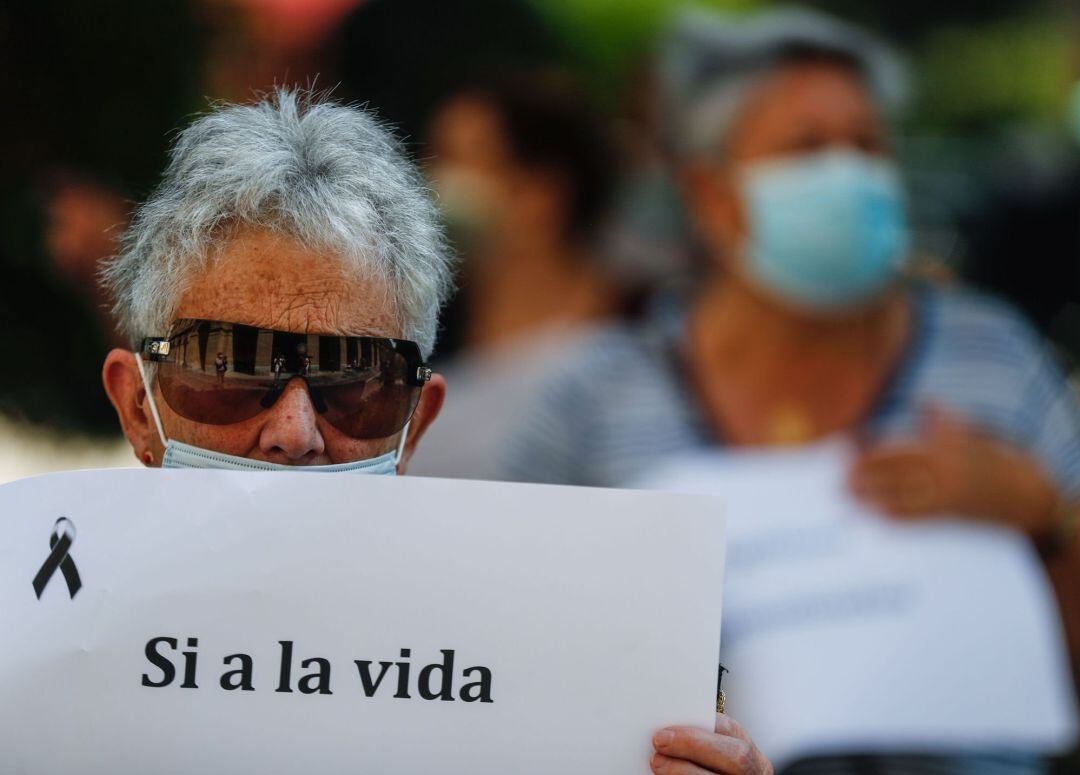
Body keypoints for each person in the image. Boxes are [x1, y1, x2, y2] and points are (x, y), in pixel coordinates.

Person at [99, 88, 770, 775]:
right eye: (231, 366)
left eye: (354, 379)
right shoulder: (36, 666)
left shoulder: (551, 686)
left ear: (417, 423)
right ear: (137, 408)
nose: (293, 432)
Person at [500, 9, 1080, 774]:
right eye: (808, 147)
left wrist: (1045, 517)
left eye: (868, 144)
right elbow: (504, 652)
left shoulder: (996, 358)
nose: (851, 172)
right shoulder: (588, 396)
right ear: (710, 193)